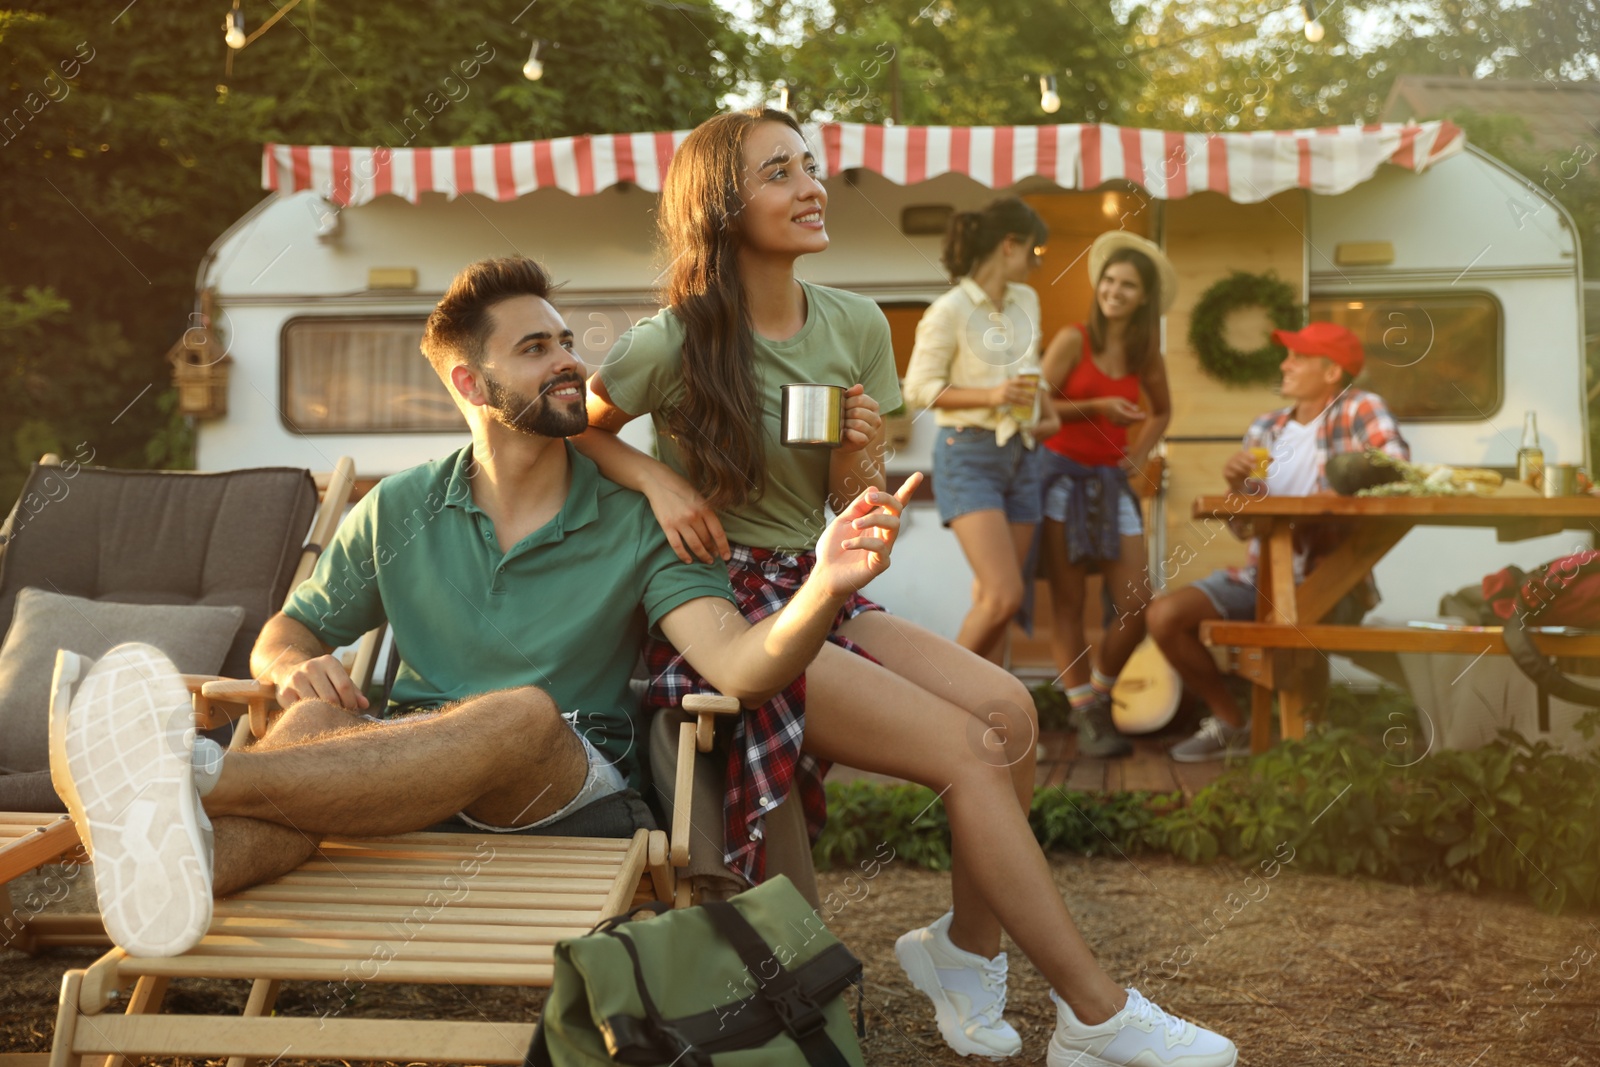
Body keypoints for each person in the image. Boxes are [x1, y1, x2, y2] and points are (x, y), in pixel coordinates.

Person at [577, 109, 1237, 1067]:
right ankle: (1096, 1015)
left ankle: (962, 952)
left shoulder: (849, 324)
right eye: (779, 172)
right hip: (719, 601)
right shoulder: (670, 340)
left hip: (816, 579)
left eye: (811, 164)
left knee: (1009, 708)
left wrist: (862, 466)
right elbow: (582, 426)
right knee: (970, 750)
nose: (811, 185)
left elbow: (846, 505)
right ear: (722, 206)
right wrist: (659, 477)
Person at [49, 255, 919, 961]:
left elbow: (742, 665)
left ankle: (188, 775)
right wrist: (288, 666)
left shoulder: (639, 518)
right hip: (403, 778)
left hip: (567, 785)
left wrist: (822, 587)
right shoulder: (400, 508)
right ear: (470, 380)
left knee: (522, 711)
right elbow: (287, 630)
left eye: (566, 341)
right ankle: (172, 874)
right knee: (311, 720)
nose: (570, 360)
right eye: (536, 348)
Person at [1148, 321, 1409, 762]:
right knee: (1163, 616)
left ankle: (1307, 742)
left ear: (1331, 372)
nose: (1285, 364)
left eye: (1299, 357)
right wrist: (1238, 488)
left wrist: (1337, 496)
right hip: (1263, 575)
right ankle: (1233, 723)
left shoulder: (1360, 408)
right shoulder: (1266, 428)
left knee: (1295, 631)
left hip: (1333, 577)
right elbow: (1247, 527)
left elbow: (1396, 471)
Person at [901, 197, 1061, 660]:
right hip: (969, 453)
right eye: (1034, 252)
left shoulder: (1025, 300)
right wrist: (991, 397)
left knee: (995, 602)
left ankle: (985, 720)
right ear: (1009, 245)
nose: (1036, 264)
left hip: (1024, 453)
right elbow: (918, 389)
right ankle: (937, 703)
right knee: (1003, 595)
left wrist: (1045, 411)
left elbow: (1031, 370)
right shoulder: (948, 310)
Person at [1036, 232, 1176, 759]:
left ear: (1144, 298)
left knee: (1137, 602)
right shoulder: (1074, 338)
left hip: (1111, 482)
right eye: (1110, 281)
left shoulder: (1145, 351)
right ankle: (1085, 714)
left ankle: (1097, 693)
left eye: (1128, 286)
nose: (1114, 291)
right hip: (1059, 477)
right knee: (1069, 603)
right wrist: (1098, 406)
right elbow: (1038, 409)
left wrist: (1137, 454)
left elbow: (1162, 409)